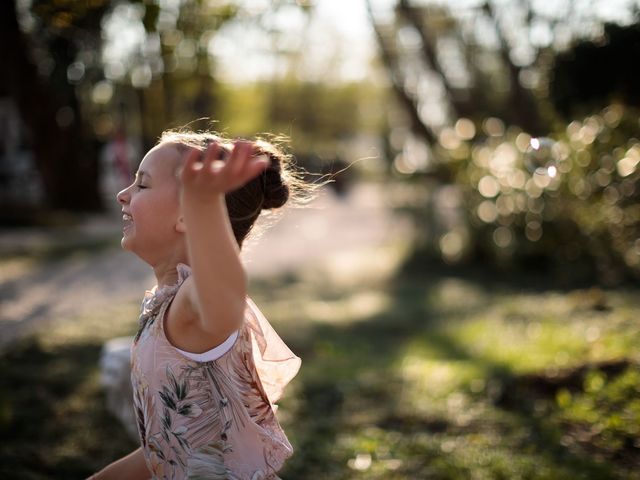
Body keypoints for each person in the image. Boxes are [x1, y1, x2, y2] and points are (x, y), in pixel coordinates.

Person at [89, 129, 311, 479]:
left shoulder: (193, 306)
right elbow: (170, 444)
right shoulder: (169, 305)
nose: (122, 195)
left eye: (142, 185)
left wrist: (203, 204)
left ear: (186, 217)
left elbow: (226, 291)